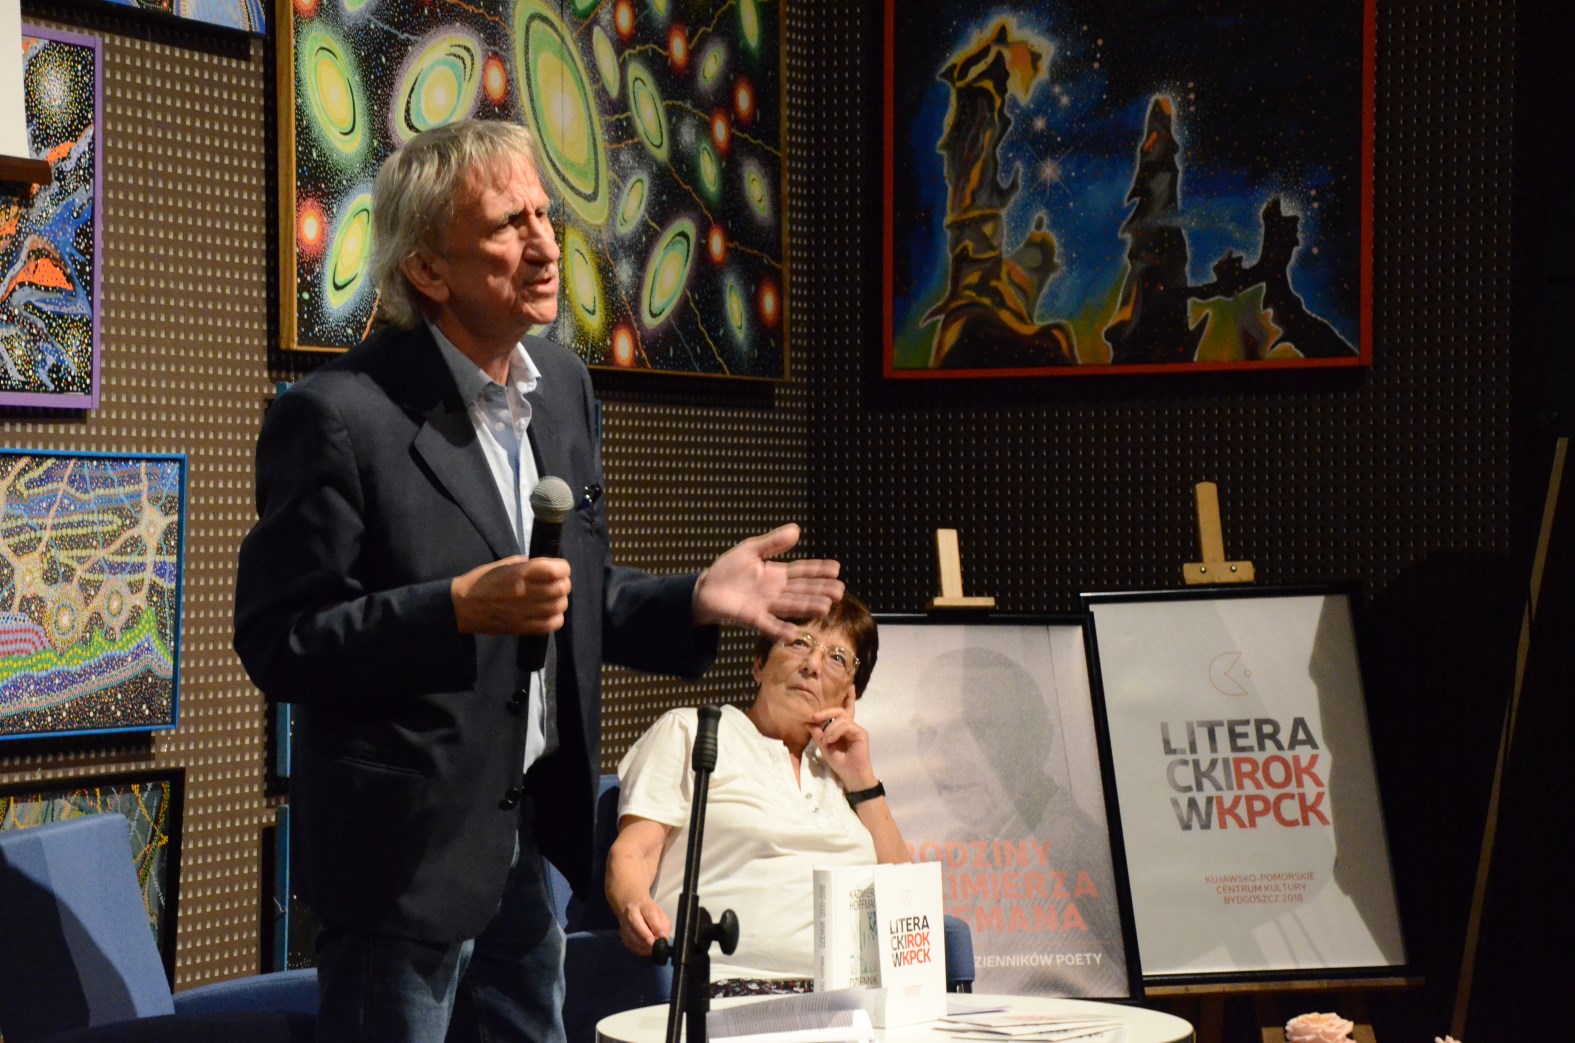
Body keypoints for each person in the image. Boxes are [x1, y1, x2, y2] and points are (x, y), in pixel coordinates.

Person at [232, 119, 843, 1043]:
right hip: (403, 856)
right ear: (427, 269)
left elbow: (570, 595)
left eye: (544, 215)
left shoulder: (559, 386)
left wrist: (690, 598)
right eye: (506, 226)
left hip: (525, 838)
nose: (547, 245)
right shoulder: (339, 416)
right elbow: (281, 638)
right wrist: (451, 610)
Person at [605, 596, 908, 995]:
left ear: (849, 696)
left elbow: (905, 898)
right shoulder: (693, 732)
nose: (812, 665)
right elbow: (634, 852)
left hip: (851, 997)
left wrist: (860, 778)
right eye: (798, 642)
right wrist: (633, 903)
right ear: (759, 664)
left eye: (837, 658)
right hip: (730, 987)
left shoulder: (845, 776)